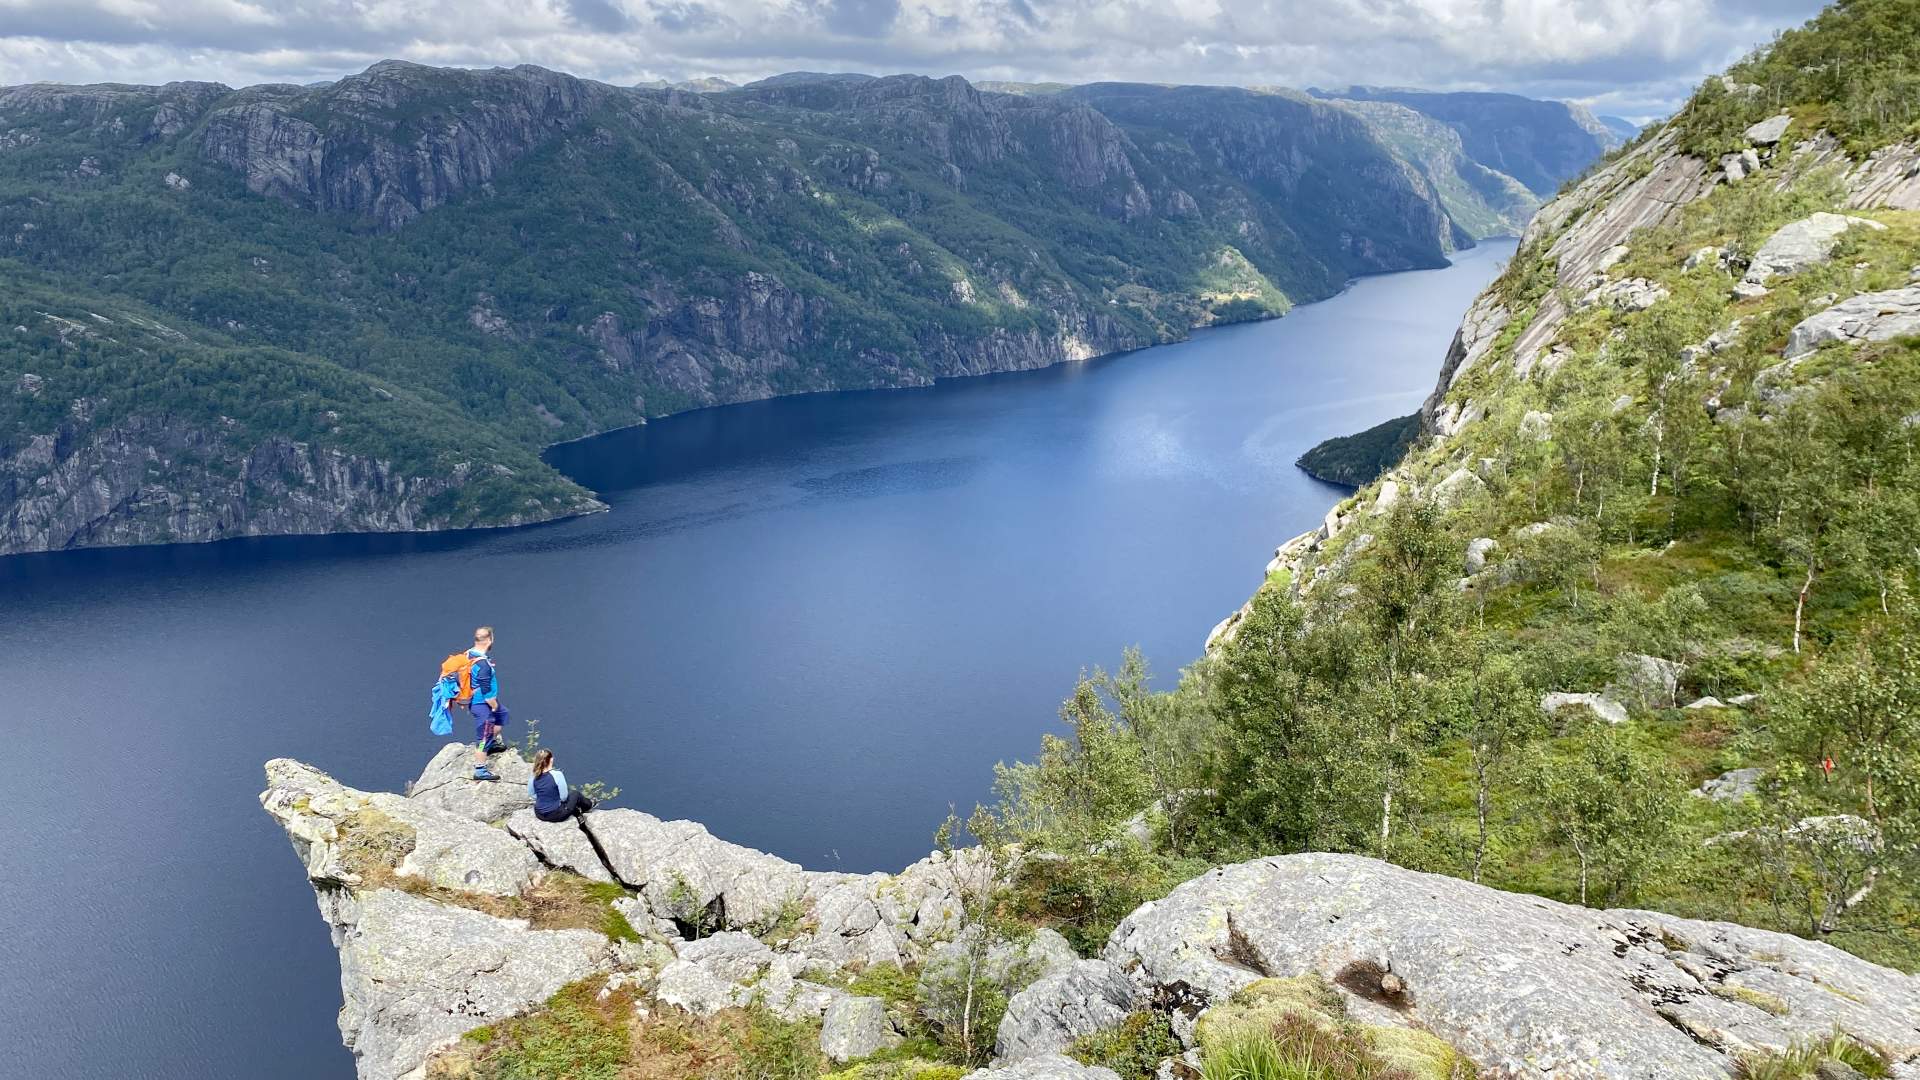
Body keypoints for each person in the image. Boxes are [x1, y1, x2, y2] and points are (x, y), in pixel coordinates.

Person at [463, 625, 510, 782]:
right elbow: (485, 690)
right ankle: (480, 769)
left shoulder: (469, 654)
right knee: (484, 735)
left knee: (503, 715)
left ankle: (492, 743)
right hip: (482, 704)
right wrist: (494, 705)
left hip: (479, 702)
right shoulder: (482, 664)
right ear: (490, 640)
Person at [529, 748, 594, 822]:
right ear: (551, 760)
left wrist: (546, 798)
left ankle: (577, 812)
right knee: (575, 794)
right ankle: (588, 806)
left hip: (539, 814)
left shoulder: (533, 776)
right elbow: (563, 797)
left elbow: (532, 794)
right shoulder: (557, 775)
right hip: (556, 815)